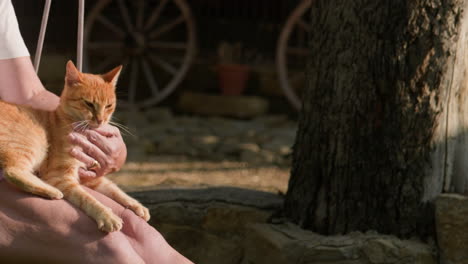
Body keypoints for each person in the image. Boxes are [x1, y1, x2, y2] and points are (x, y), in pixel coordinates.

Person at [0, 0, 192, 263]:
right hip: (13, 160)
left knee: (142, 234)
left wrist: (103, 139)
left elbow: (28, 93)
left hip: (20, 151)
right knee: (108, 247)